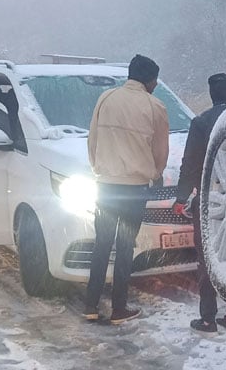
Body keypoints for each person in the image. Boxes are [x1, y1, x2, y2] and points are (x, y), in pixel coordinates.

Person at [84, 54, 169, 325]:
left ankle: (90, 305)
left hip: (106, 186)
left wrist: (99, 168)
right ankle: (119, 308)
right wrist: (155, 174)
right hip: (134, 188)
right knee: (124, 247)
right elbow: (160, 151)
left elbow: (93, 138)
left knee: (102, 244)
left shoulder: (105, 98)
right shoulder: (155, 106)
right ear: (150, 80)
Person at [172, 73, 226, 332]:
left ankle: (207, 317)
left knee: (207, 258)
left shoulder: (201, 122)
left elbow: (190, 164)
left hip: (210, 200)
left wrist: (181, 198)